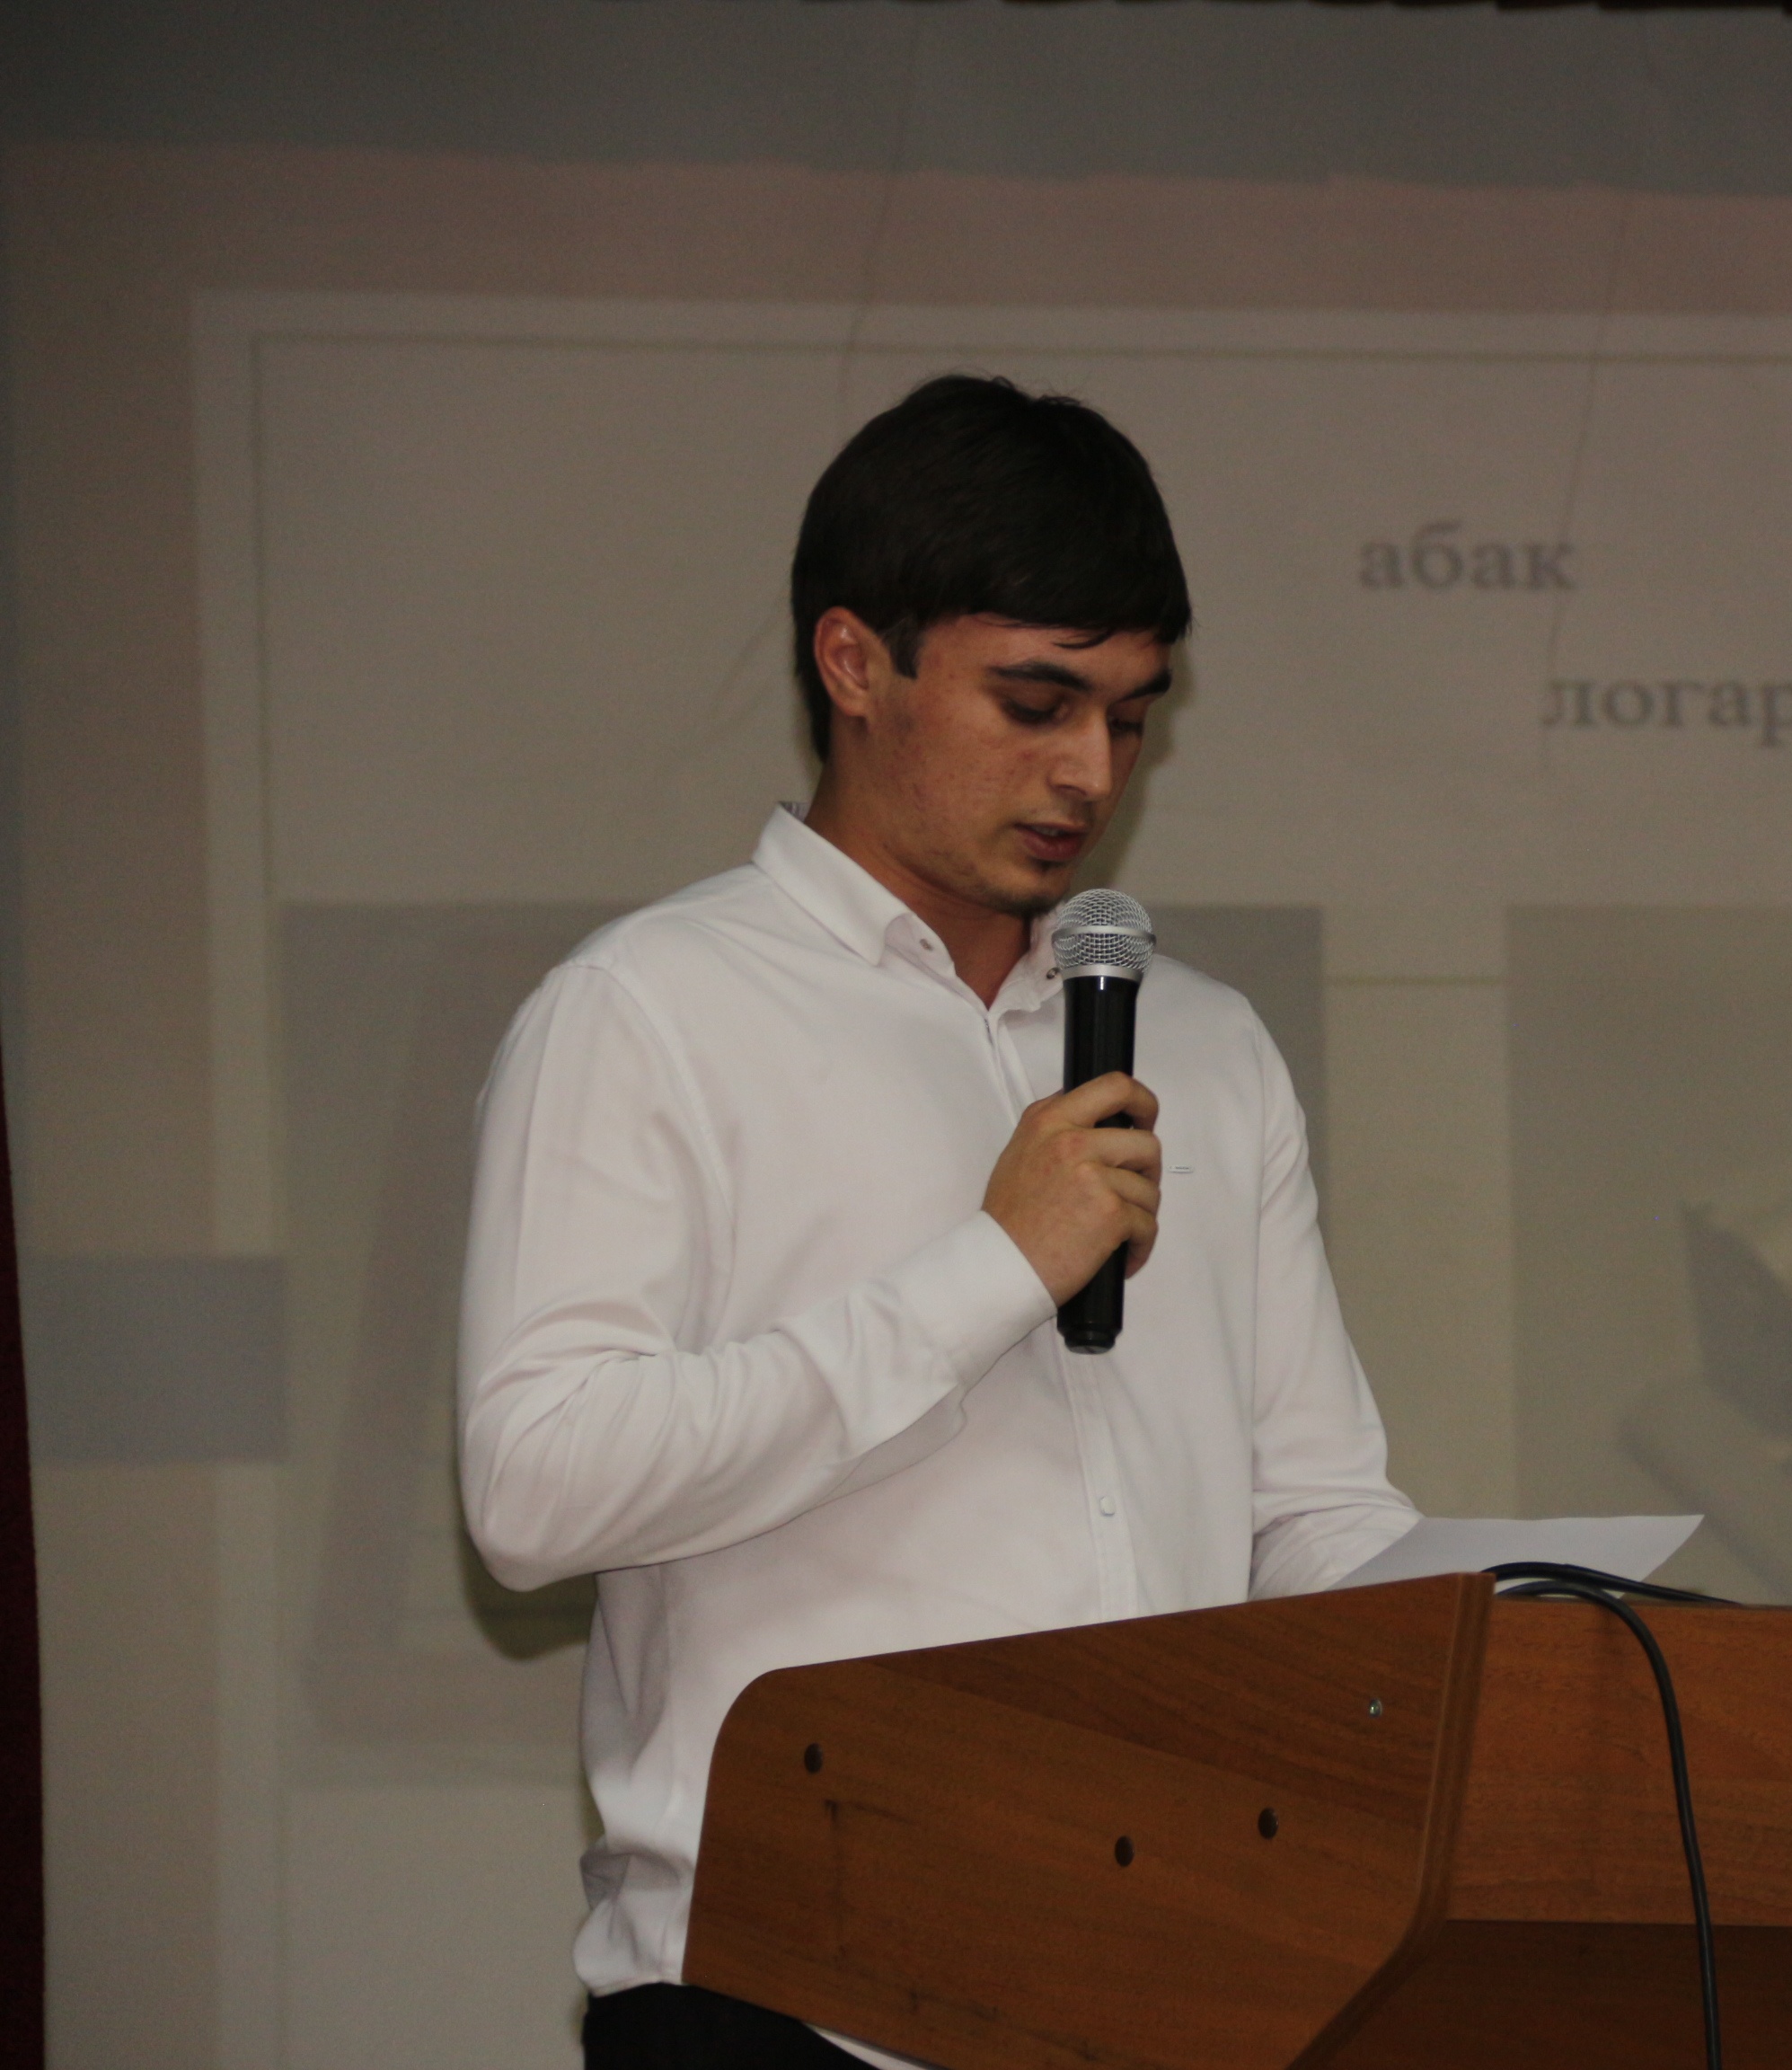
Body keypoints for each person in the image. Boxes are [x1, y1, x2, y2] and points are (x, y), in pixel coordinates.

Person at [457, 375, 1417, 2070]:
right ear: (854, 663)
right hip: (786, 2007)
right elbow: (536, 1488)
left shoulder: (1206, 1044)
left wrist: (1530, 1640)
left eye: (1130, 717)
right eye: (1035, 702)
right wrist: (993, 1272)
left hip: (1171, 2003)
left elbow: (1311, 1514)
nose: (1089, 772)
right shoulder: (651, 1008)